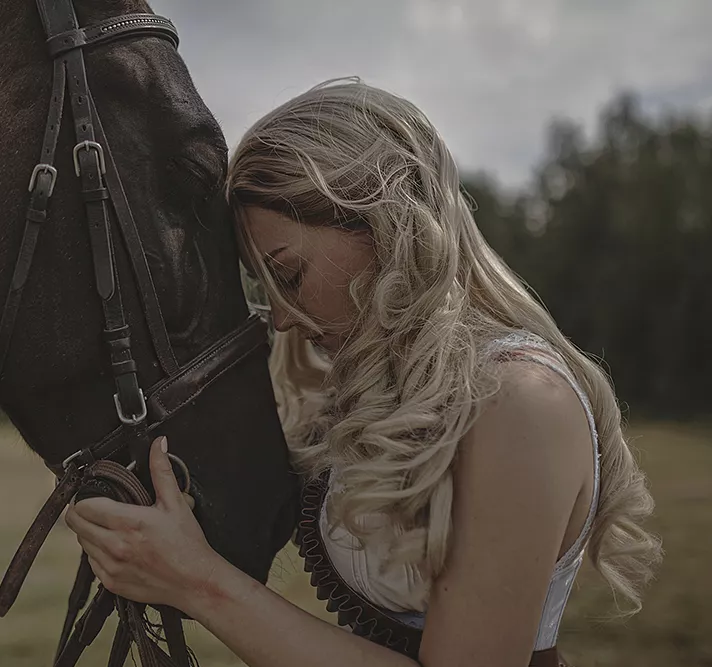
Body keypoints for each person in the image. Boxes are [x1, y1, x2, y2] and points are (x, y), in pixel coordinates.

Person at [64, 78, 661, 667]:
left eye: (289, 275)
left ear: (384, 222)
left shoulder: (520, 400)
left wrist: (198, 583)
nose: (281, 318)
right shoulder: (371, 389)